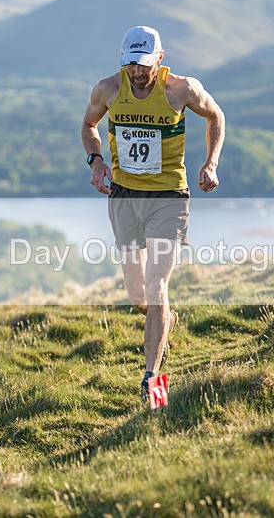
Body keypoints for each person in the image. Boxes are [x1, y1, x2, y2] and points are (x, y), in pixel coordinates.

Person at [81, 25, 225, 402]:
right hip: (124, 196)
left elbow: (216, 117)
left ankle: (153, 383)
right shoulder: (108, 89)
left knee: (157, 286)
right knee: (138, 295)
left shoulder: (181, 89)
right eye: (131, 65)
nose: (138, 73)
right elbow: (88, 126)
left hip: (168, 197)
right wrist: (96, 162)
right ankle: (165, 323)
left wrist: (211, 164)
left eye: (145, 65)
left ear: (160, 58)